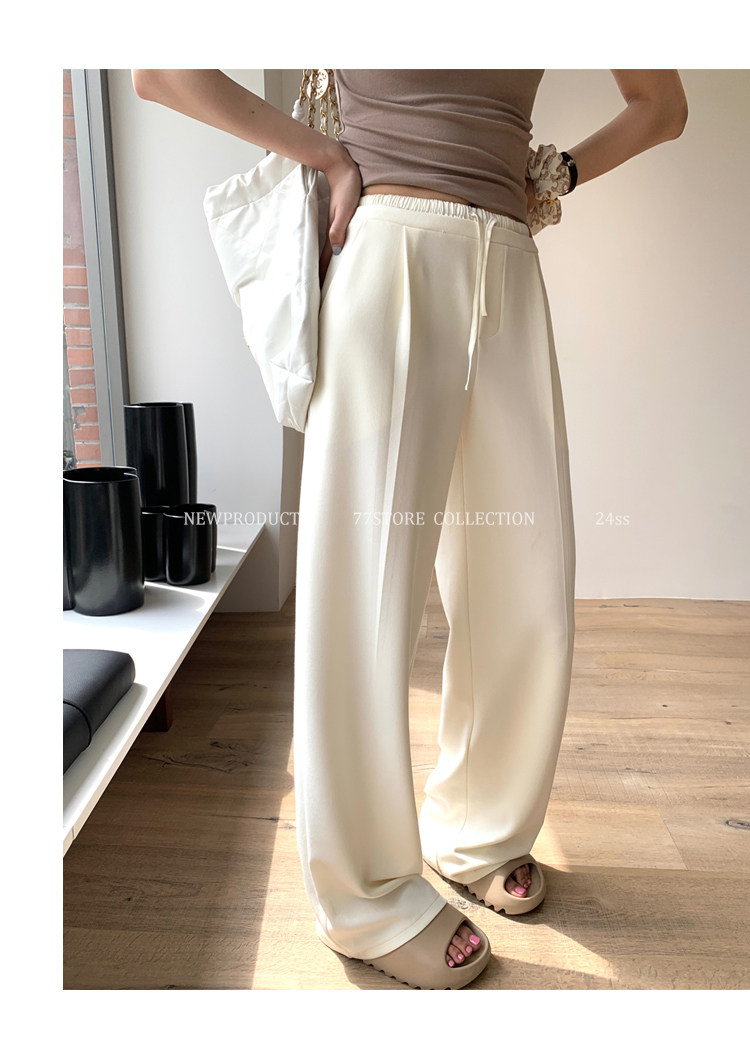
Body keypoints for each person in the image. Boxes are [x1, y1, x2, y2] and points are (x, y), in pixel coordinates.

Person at [132, 68, 688, 989]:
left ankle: (480, 830)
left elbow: (661, 108)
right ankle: (366, 898)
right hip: (388, 249)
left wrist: (554, 174)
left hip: (510, 262)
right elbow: (160, 69)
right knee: (365, 597)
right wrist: (323, 155)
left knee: (526, 584)